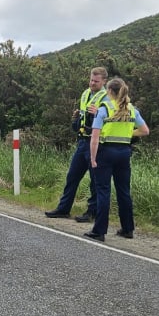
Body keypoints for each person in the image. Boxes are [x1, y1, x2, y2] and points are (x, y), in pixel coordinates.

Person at [83, 77, 150, 242]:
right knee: (124, 191)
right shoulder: (132, 109)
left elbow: (94, 137)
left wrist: (93, 158)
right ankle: (127, 228)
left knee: (103, 191)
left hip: (105, 152)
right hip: (124, 153)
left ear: (109, 91)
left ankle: (99, 231)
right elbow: (145, 130)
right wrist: (128, 134)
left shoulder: (104, 108)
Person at [44, 67, 108, 221]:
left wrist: (98, 113)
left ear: (104, 81)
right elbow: (83, 113)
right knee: (72, 176)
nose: (92, 83)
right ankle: (63, 209)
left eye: (96, 81)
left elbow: (112, 119)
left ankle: (92, 212)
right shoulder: (86, 93)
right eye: (91, 80)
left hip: (97, 142)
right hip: (82, 141)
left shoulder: (107, 97)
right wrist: (77, 118)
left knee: (95, 180)